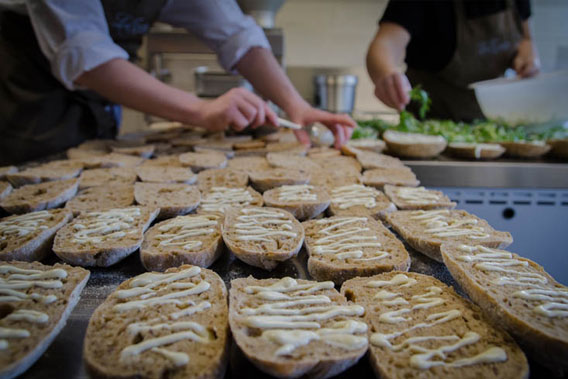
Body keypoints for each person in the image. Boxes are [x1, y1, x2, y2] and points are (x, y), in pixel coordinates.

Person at [0, 0, 355, 165]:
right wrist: (200, 110)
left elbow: (237, 34)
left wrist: (296, 105)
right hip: (27, 89)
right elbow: (84, 55)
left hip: (104, 89)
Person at [366, 0, 540, 122]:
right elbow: (385, 44)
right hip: (431, 125)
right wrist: (386, 73)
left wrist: (528, 58)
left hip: (495, 124)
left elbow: (526, 39)